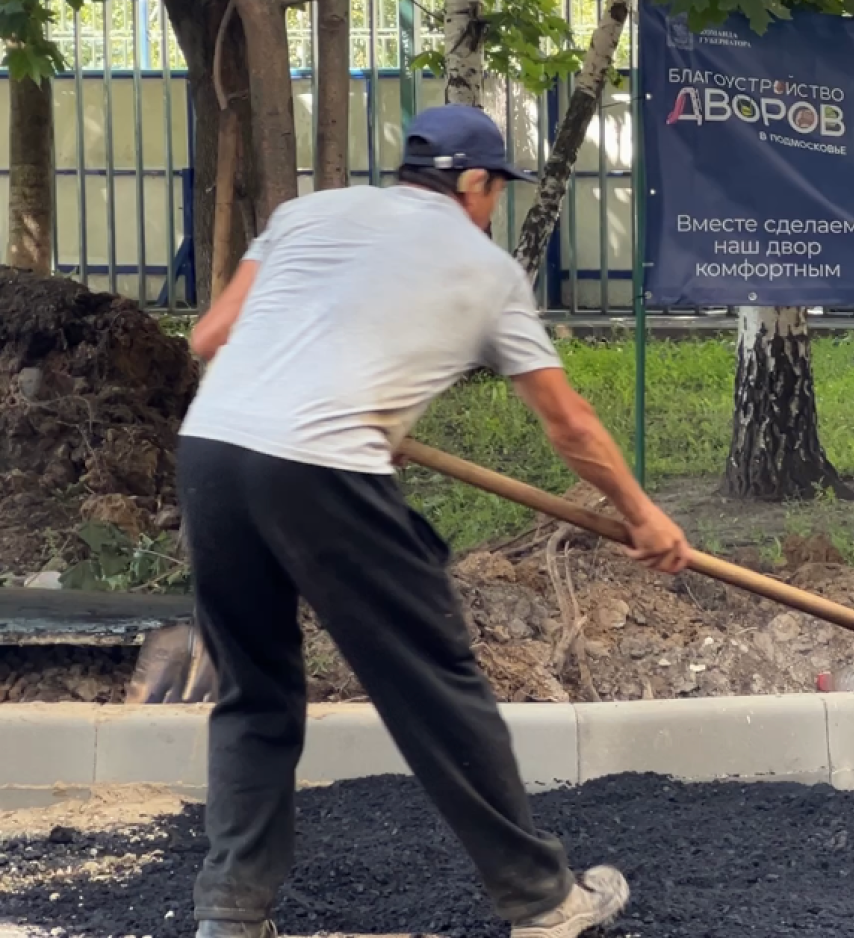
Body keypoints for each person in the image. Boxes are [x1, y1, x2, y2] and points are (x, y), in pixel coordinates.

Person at [177, 103, 692, 938]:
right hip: (325, 466)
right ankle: (543, 900)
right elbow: (569, 424)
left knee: (255, 691)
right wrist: (644, 517)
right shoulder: (486, 269)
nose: (495, 206)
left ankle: (230, 913)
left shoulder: (306, 214)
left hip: (211, 453)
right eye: (497, 190)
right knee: (435, 685)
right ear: (475, 182)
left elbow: (210, 337)